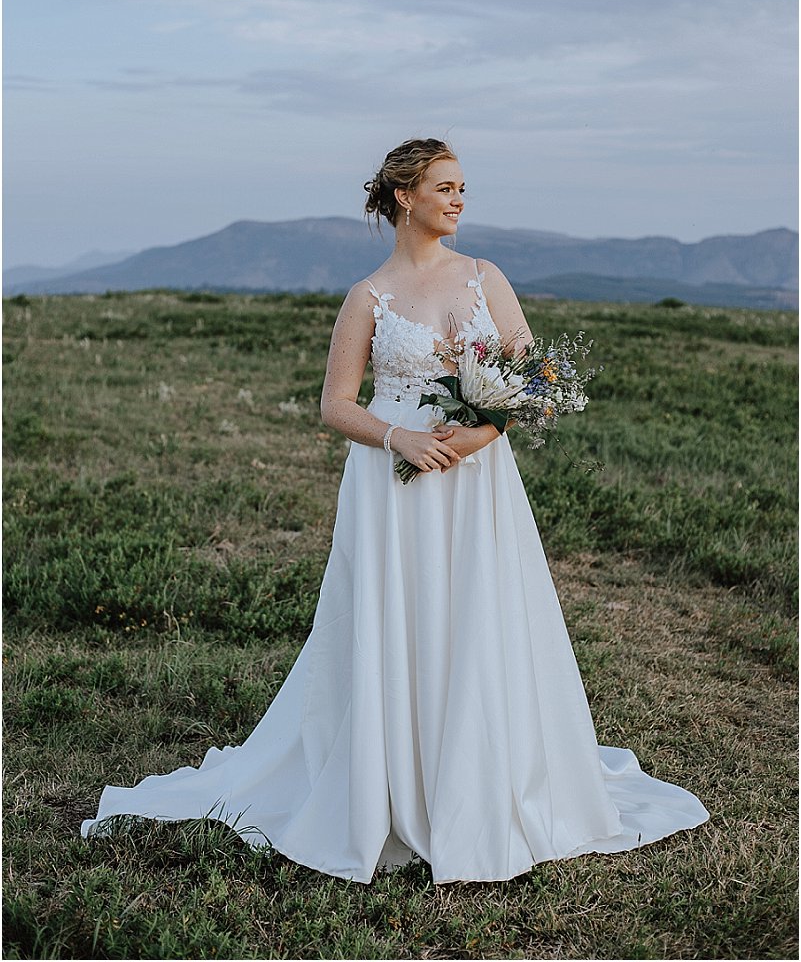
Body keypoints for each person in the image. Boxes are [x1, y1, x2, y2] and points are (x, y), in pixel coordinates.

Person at [81, 137, 710, 884]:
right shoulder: (368, 296)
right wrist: (399, 438)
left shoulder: (484, 277)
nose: (458, 200)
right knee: (396, 616)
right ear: (403, 196)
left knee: (475, 611)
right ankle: (387, 780)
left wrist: (476, 434)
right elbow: (334, 404)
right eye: (443, 187)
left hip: (476, 482)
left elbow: (534, 378)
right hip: (391, 483)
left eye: (462, 187)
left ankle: (481, 777)